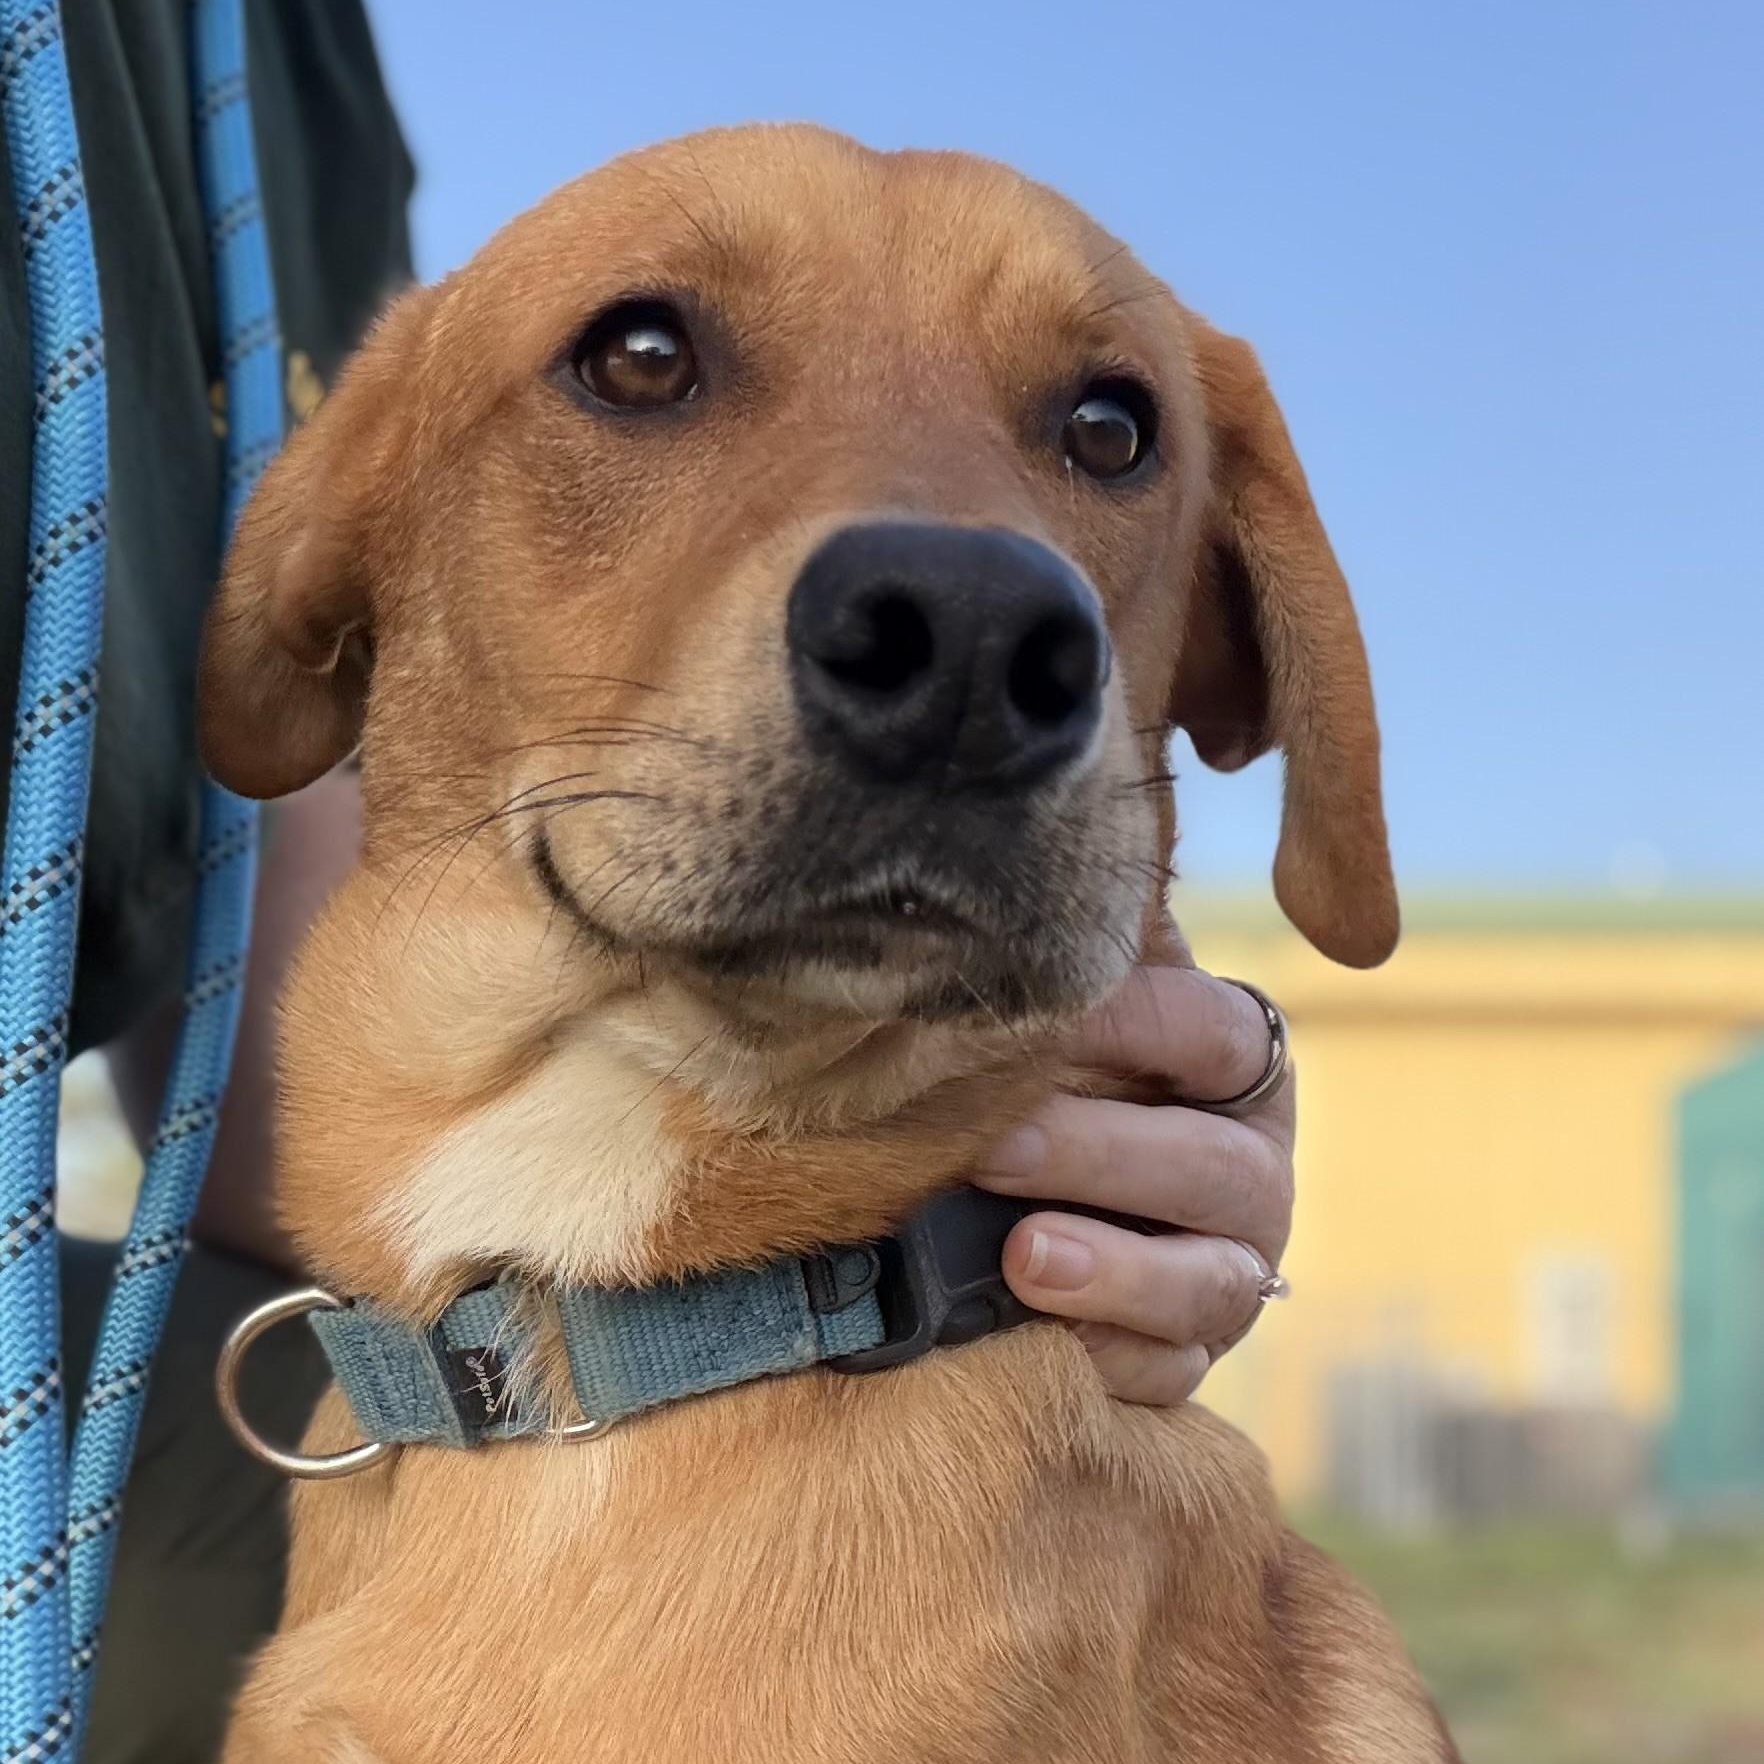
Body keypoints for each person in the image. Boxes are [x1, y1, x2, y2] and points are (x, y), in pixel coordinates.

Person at [3, 6, 1294, 1761]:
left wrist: (1165, 1098)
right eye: (645, 362)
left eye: (1104, 435)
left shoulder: (298, 74)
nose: (967, 593)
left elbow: (284, 893)